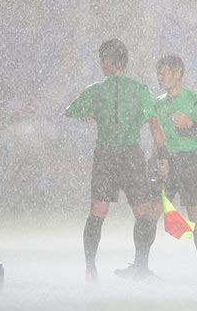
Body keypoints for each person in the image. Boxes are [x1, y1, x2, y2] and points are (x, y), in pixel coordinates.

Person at [66, 39, 169, 281]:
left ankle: (90, 268)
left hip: (106, 155)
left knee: (98, 212)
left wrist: (90, 114)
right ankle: (141, 267)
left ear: (107, 62)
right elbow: (154, 124)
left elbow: (70, 111)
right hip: (131, 155)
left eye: (102, 60)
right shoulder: (140, 89)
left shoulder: (95, 90)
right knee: (143, 212)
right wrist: (163, 156)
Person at [150, 54, 197, 277]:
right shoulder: (158, 103)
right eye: (158, 72)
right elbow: (157, 135)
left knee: (196, 212)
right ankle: (141, 265)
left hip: (191, 161)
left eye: (163, 72)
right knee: (152, 211)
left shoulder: (195, 99)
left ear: (177, 74)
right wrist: (154, 161)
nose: (159, 77)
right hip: (167, 161)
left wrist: (192, 125)